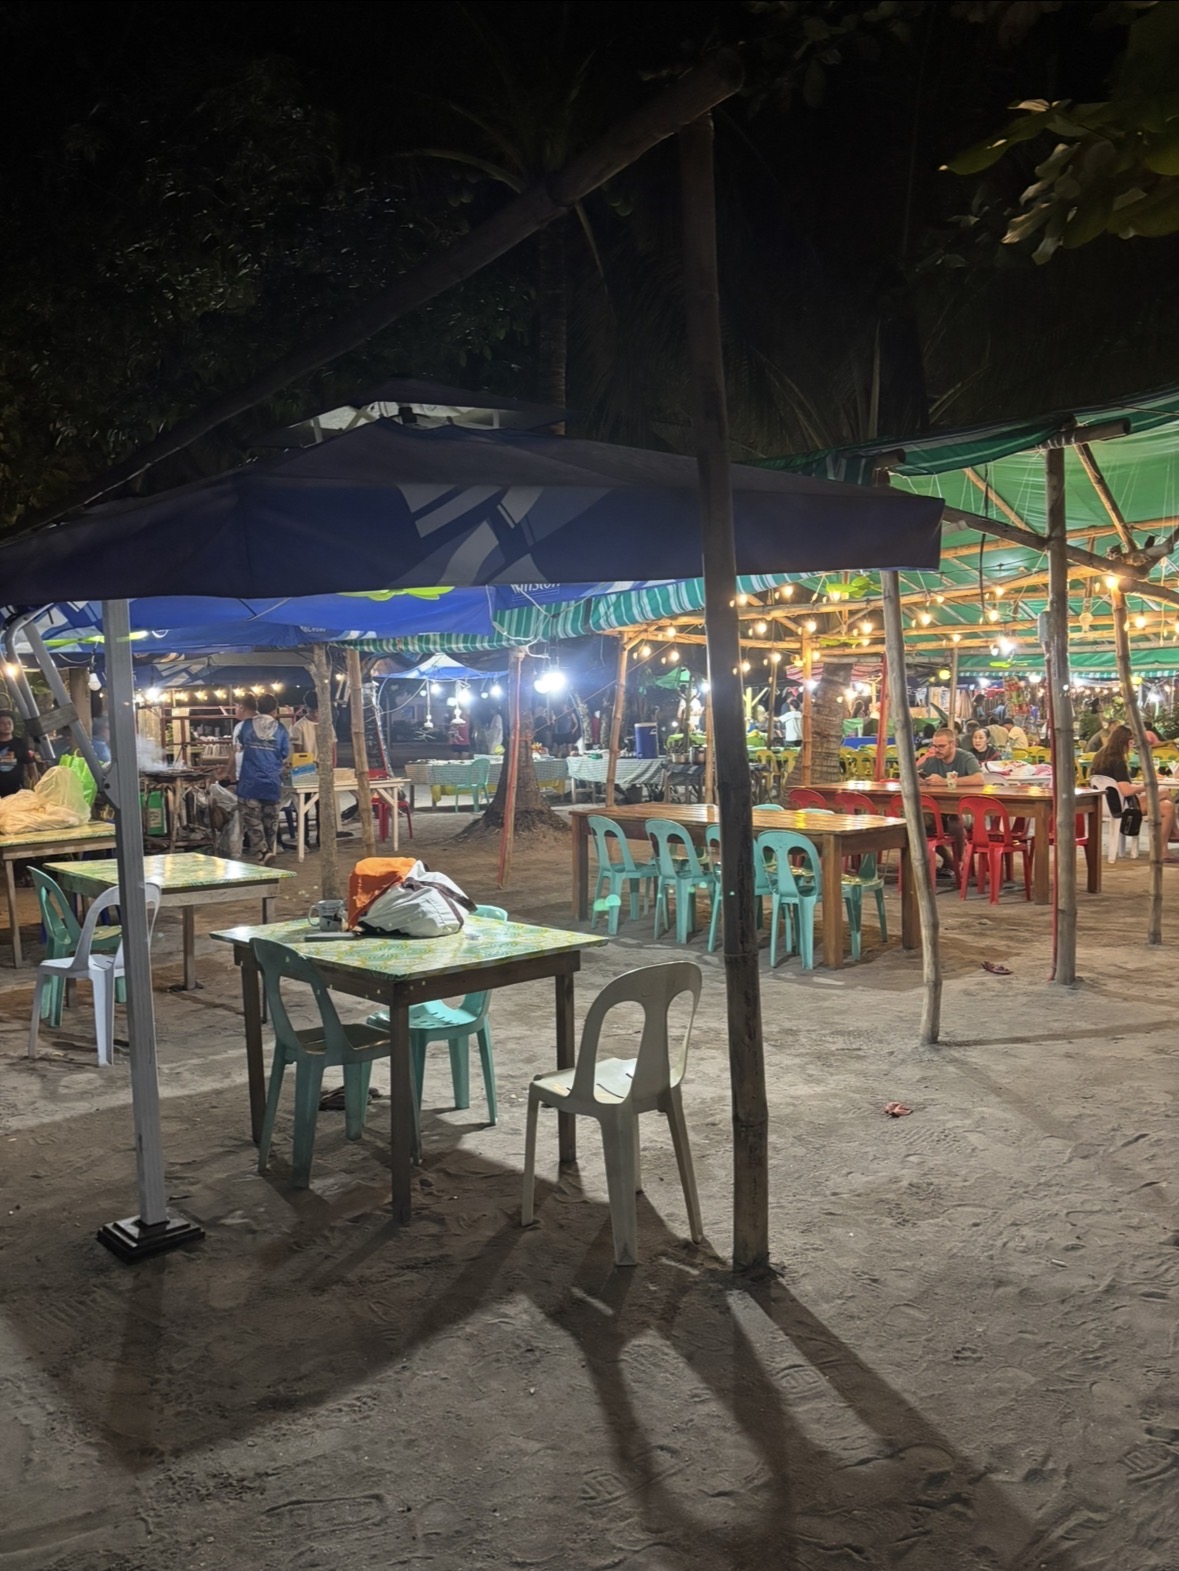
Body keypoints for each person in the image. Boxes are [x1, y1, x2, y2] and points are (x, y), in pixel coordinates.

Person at [1090, 723, 1177, 856]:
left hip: (1105, 804)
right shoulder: (1117, 761)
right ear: (1124, 741)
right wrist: (1147, 785)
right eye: (1131, 741)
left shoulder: (1100, 756)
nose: (1132, 745)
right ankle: (1171, 836)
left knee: (1167, 806)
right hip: (1123, 806)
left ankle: (1164, 847)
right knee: (1164, 790)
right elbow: (1126, 790)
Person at [917, 727, 985, 876]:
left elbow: (979, 779)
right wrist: (919, 780)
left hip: (966, 809)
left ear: (953, 744)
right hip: (938, 810)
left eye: (941, 746)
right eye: (934, 746)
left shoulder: (966, 757)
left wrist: (944, 781)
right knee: (917, 822)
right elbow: (908, 775)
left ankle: (960, 861)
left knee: (955, 820)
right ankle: (949, 860)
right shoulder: (932, 760)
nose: (937, 750)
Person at [229, 693, 289, 863]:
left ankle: (262, 852)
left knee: (252, 819)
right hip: (272, 781)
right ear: (275, 710)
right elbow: (284, 754)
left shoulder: (245, 726)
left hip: (250, 781)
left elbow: (238, 748)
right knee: (271, 819)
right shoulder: (281, 729)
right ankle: (269, 850)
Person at [0, 711, 34, 797]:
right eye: (2, 723)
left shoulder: (20, 744)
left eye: (9, 723)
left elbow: (31, 766)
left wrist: (34, 785)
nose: (7, 726)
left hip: (17, 793)